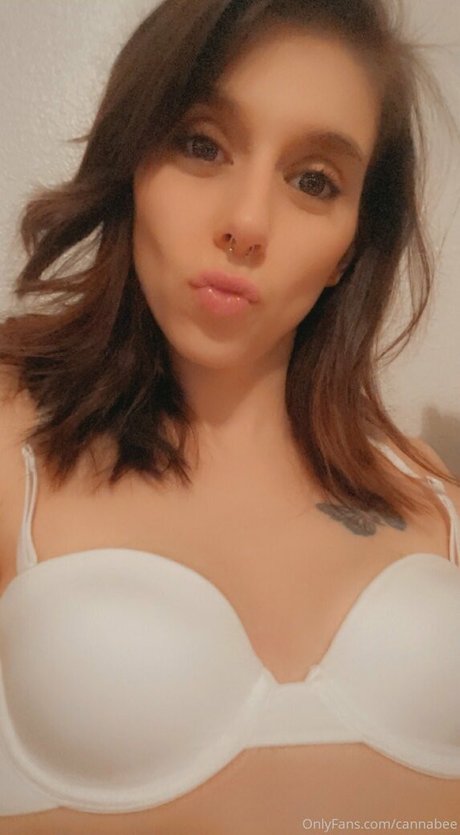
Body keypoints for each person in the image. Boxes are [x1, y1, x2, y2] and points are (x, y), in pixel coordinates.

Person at [0, 0, 459, 832]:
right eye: (201, 144)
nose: (247, 224)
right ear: (133, 163)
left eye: (313, 180)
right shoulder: (12, 438)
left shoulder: (426, 487)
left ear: (351, 247)